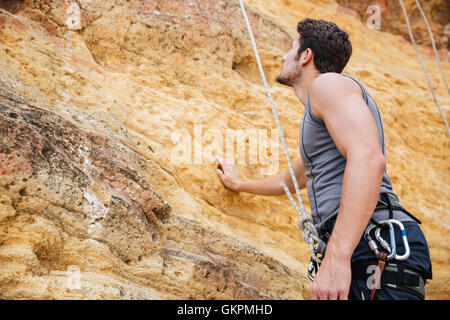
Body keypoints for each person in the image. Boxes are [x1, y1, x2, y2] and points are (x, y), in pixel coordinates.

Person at [215, 18, 432, 300]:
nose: (282, 56)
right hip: (370, 246)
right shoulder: (326, 116)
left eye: (290, 48)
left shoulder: (328, 85)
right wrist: (239, 184)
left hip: (373, 245)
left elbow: (368, 159)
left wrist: (337, 257)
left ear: (306, 55)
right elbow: (290, 180)